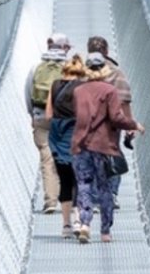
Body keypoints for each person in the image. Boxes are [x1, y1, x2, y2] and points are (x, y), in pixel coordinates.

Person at [71, 52, 144, 244]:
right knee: (104, 187)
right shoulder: (110, 91)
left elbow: (76, 116)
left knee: (84, 184)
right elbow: (117, 118)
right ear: (104, 69)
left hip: (81, 144)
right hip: (103, 145)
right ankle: (105, 231)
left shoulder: (78, 91)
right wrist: (134, 125)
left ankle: (85, 223)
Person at [26, 34, 70, 214]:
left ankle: (50, 201)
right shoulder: (69, 67)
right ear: (65, 48)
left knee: (46, 156)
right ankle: (72, 202)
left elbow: (28, 92)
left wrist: (33, 114)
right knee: (68, 156)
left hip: (40, 116)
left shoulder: (36, 67)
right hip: (63, 119)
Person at [46, 56, 88, 239]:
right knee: (80, 179)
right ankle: (79, 220)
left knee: (65, 181)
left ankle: (66, 225)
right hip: (75, 136)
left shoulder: (55, 85)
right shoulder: (82, 87)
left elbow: (48, 114)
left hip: (56, 136)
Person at [89, 36, 132, 204]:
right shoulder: (116, 72)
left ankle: (94, 196)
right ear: (106, 51)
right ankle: (111, 194)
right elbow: (125, 100)